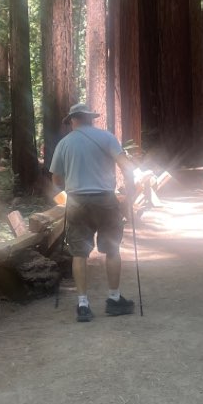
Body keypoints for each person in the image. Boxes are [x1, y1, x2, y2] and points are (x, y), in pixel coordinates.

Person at [49, 102, 137, 322]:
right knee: (112, 249)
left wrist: (71, 182)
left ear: (72, 120)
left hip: (77, 202)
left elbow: (56, 179)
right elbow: (127, 167)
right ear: (90, 118)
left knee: (79, 253)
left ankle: (83, 304)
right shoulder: (107, 138)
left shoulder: (64, 144)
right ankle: (114, 299)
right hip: (105, 201)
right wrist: (130, 190)